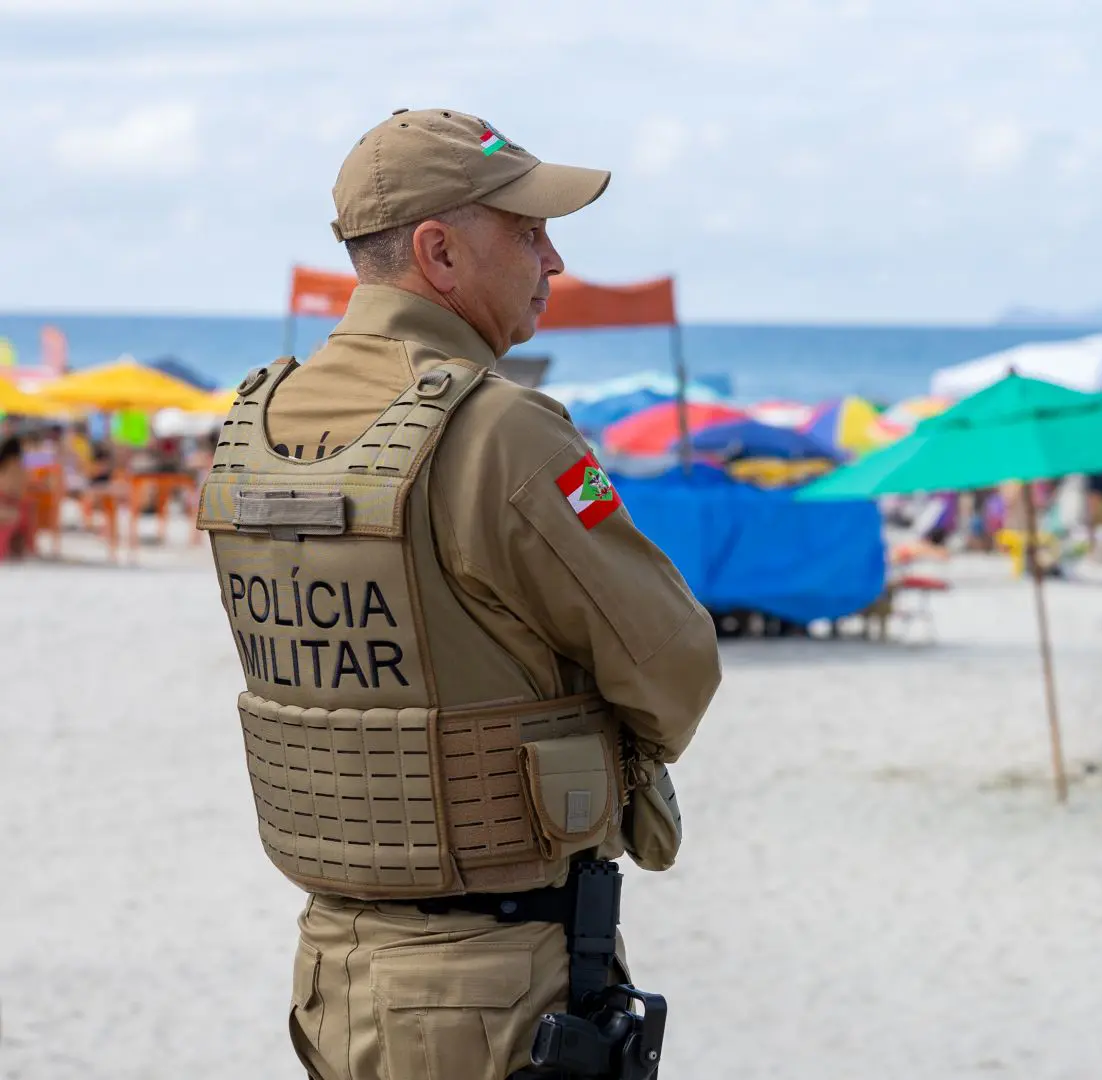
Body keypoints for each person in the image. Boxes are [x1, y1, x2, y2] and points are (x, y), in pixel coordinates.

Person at [194, 109, 721, 1080]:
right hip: (494, 989)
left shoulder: (253, 427)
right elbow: (675, 664)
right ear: (438, 251)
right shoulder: (499, 431)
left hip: (335, 969)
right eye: (524, 230)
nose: (552, 258)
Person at [0, 434, 34, 561]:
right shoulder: (16, 466)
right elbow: (16, 491)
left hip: (7, 506)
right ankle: (23, 547)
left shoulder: (5, 465)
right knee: (25, 511)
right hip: (10, 507)